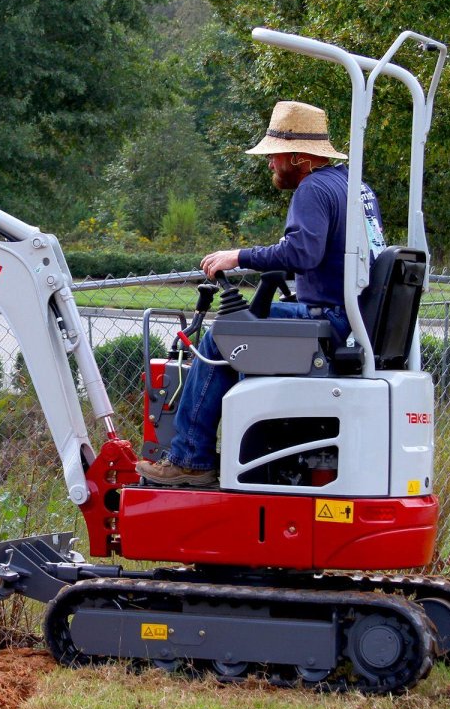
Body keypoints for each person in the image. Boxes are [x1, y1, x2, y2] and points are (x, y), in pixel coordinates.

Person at [136, 100, 386, 487]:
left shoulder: (314, 190)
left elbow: (303, 252)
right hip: (352, 321)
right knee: (245, 327)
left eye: (275, 156)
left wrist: (237, 256)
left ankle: (189, 457)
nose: (270, 164)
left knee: (223, 337)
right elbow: (328, 254)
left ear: (299, 157)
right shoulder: (355, 186)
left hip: (331, 320)